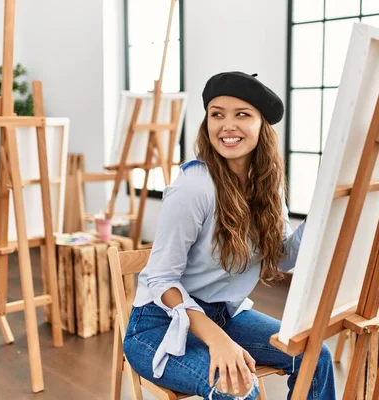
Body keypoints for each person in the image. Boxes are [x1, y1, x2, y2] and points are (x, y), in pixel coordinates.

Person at [123, 71, 336, 399]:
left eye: (242, 114)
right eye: (217, 114)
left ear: (261, 125)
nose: (227, 125)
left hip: (223, 315)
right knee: (238, 391)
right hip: (158, 327)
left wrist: (323, 211)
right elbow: (161, 280)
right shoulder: (194, 187)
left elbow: (282, 255)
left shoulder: (265, 186)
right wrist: (217, 340)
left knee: (315, 355)